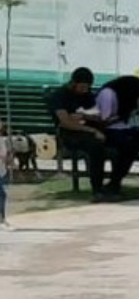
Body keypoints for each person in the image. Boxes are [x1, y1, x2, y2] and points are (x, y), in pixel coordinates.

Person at [48, 67, 115, 201]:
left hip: (89, 127)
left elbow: (100, 115)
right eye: (83, 87)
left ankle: (114, 185)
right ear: (74, 83)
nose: (85, 90)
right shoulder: (59, 96)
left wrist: (84, 116)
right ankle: (97, 189)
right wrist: (92, 130)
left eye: (87, 87)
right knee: (95, 145)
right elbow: (65, 122)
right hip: (70, 133)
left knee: (119, 139)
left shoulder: (88, 95)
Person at [0, 121, 13, 230]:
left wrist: (9, 160)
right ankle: (2, 219)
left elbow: (5, 156)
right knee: (2, 194)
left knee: (2, 195)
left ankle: (2, 218)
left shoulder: (2, 141)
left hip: (1, 170)